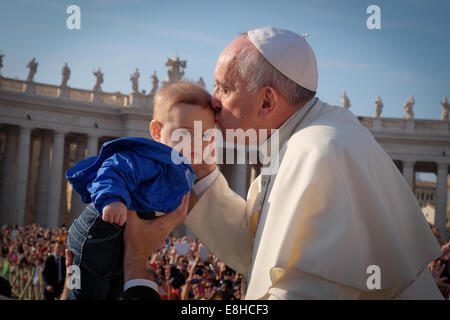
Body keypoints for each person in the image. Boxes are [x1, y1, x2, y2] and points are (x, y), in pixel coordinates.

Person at [122, 26, 444, 299]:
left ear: (266, 101)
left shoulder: (318, 155)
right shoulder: (297, 140)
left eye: (223, 87)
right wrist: (204, 174)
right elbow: (257, 252)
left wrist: (136, 266)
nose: (212, 101)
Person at [64, 82, 216, 300]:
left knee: (115, 290)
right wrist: (112, 199)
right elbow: (113, 170)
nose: (193, 142)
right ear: (157, 131)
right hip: (98, 229)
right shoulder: (148, 156)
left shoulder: (182, 168)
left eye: (204, 135)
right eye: (185, 133)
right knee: (85, 291)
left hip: (119, 237)